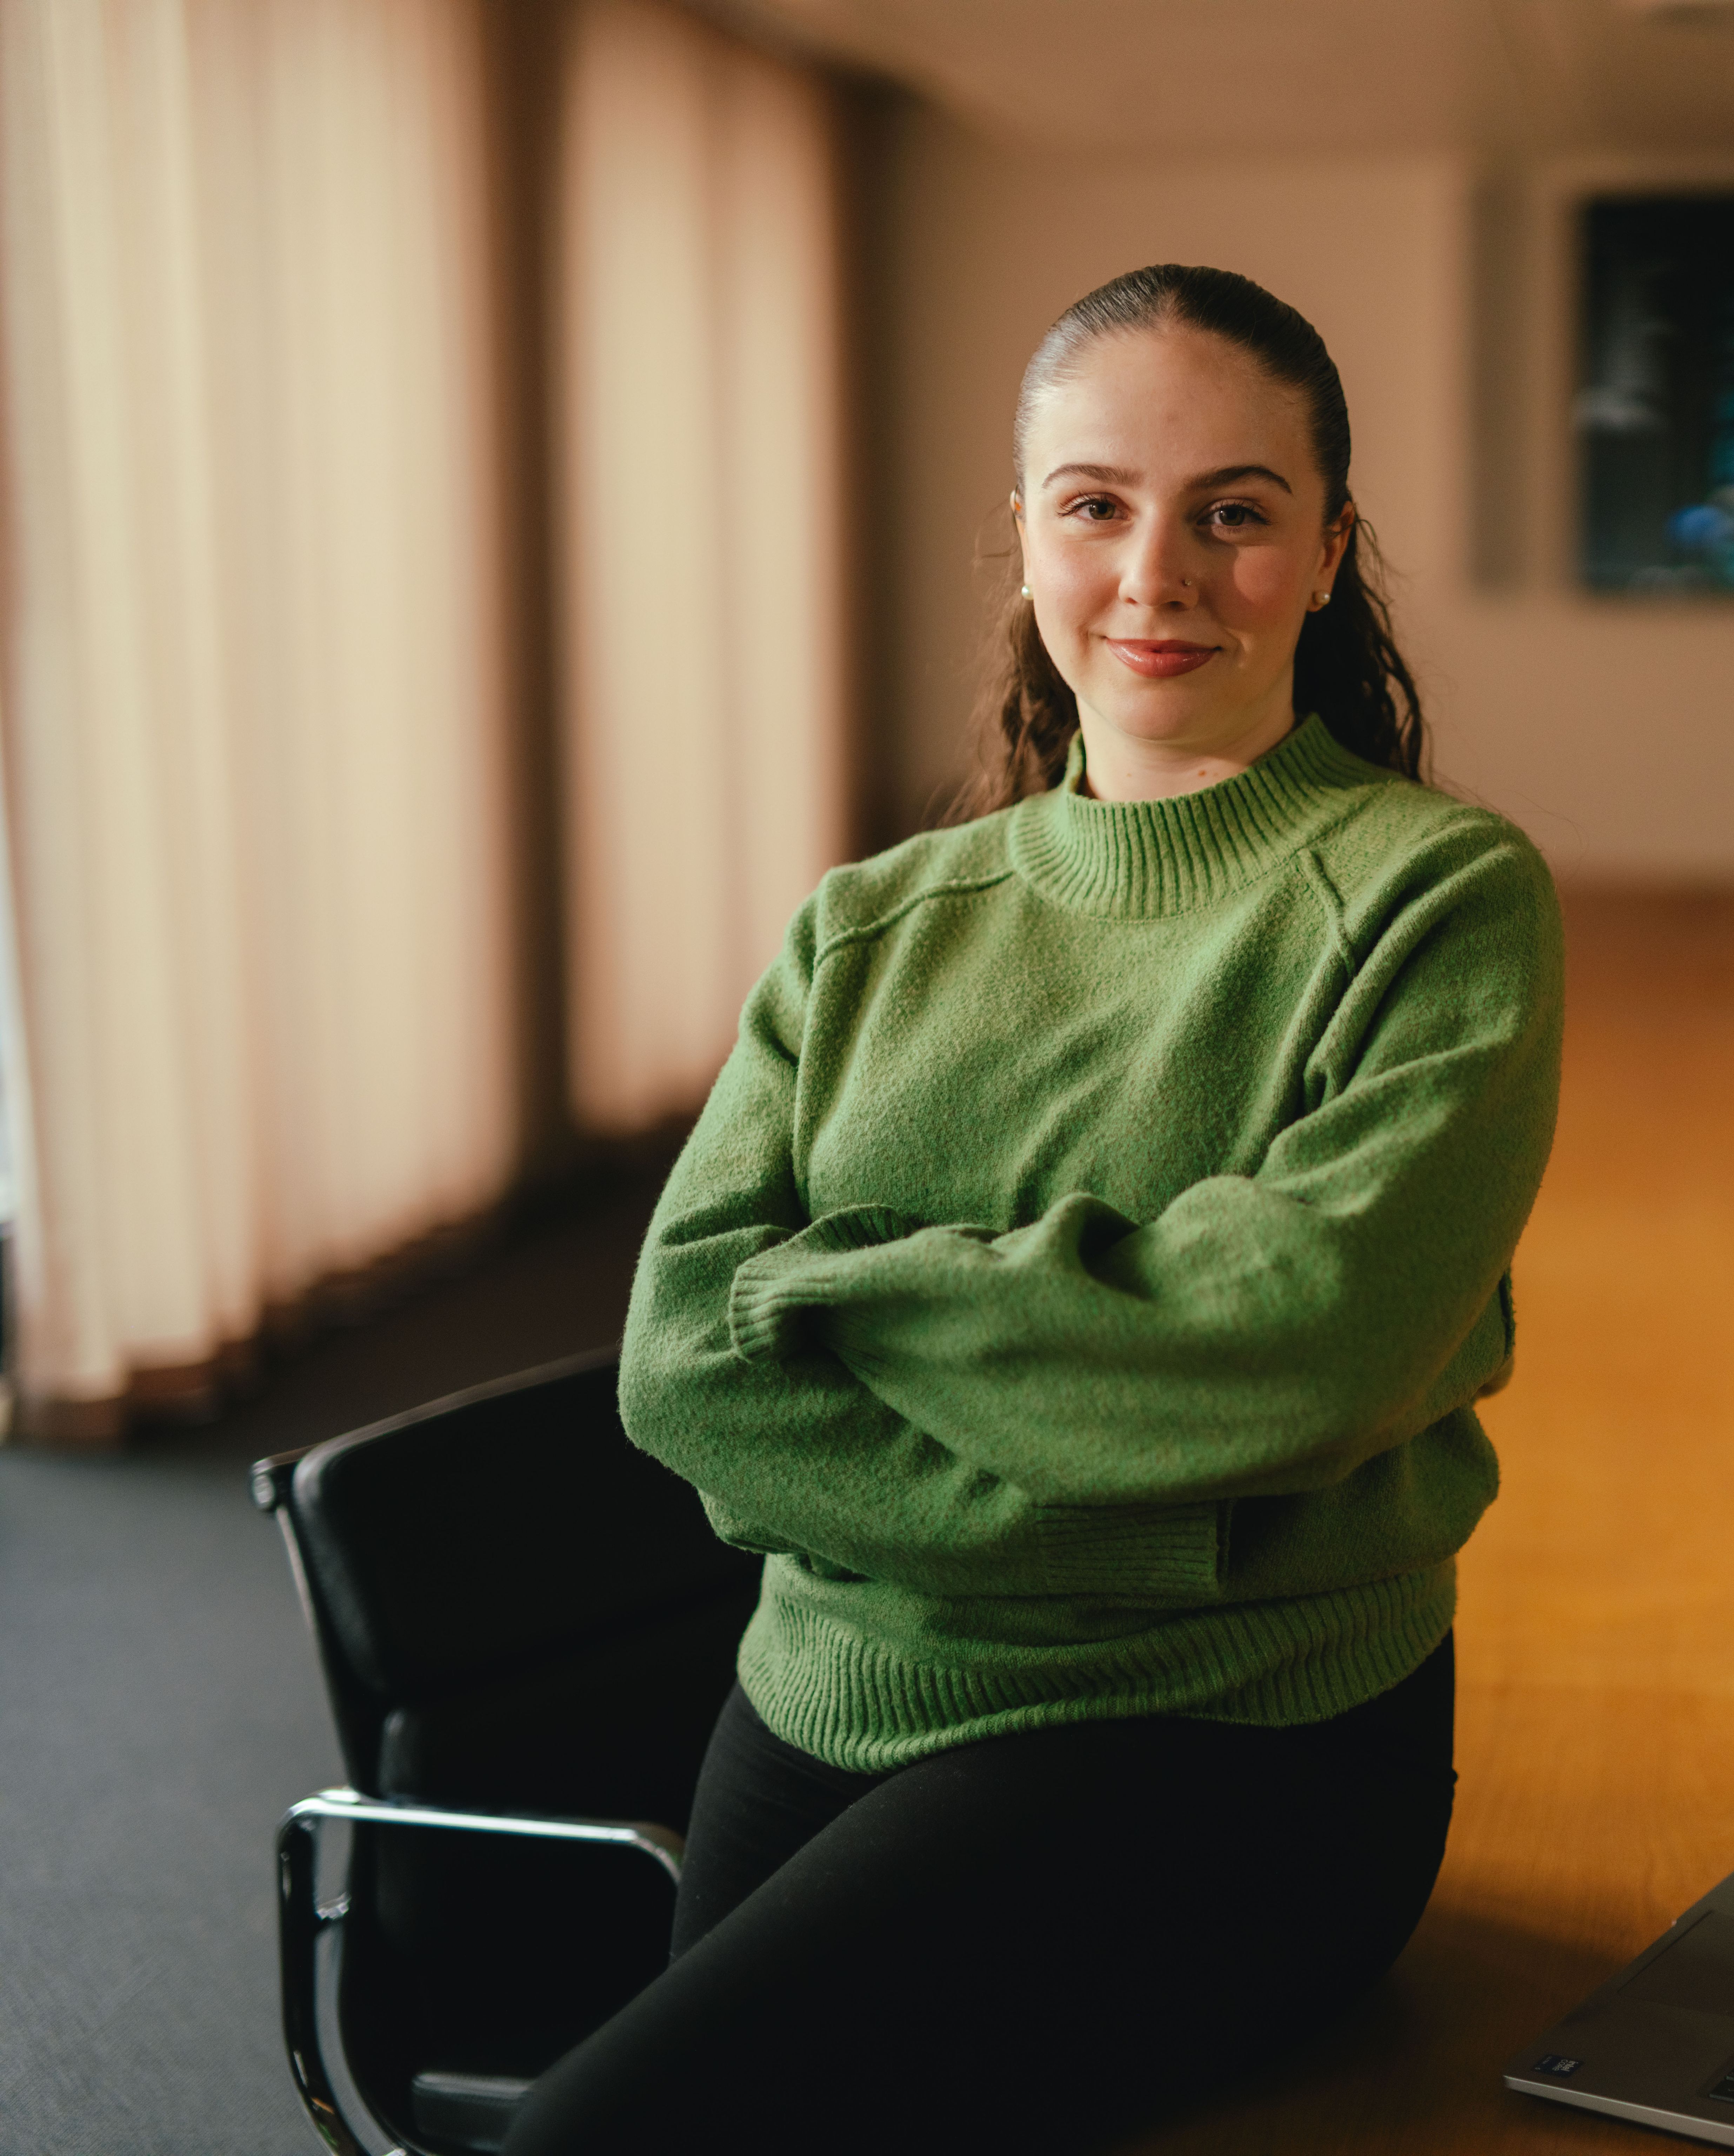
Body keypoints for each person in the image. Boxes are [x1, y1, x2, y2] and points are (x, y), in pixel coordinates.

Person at [501, 265, 1564, 2154]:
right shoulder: (867, 929)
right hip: (823, 1694)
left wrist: (844, 1289)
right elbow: (682, 1366)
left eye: (1233, 513)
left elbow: (1299, 1347)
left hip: (1228, 1734)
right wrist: (1175, 1494)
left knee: (594, 2135)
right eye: (1097, 507)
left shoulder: (1439, 900)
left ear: (1329, 552)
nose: (1157, 575)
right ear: (1025, 537)